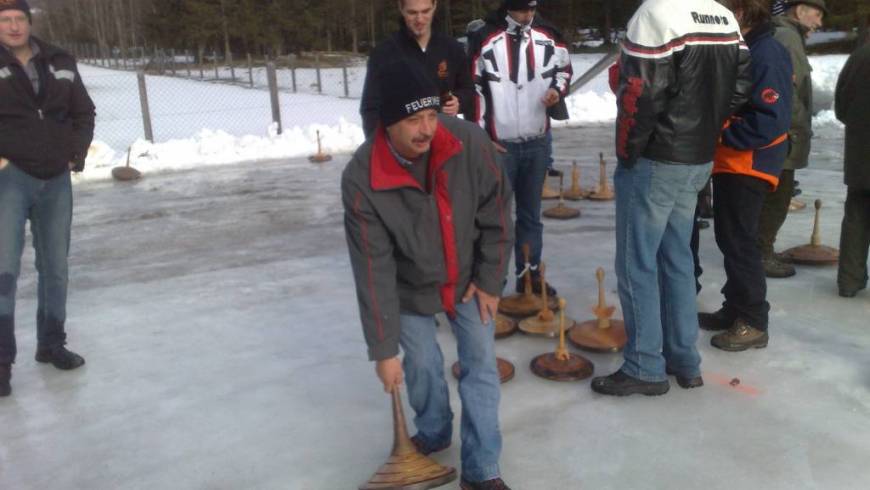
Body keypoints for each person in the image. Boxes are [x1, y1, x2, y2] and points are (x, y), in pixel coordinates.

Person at [343, 59, 513, 490]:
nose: (426, 129)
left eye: (432, 116)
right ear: (388, 123)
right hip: (410, 286)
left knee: (481, 367)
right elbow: (372, 268)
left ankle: (482, 469)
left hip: (470, 276)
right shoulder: (362, 177)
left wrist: (491, 279)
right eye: (414, 119)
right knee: (420, 365)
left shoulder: (469, 142)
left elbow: (497, 212)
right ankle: (434, 431)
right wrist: (383, 349)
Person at [590, 0, 751, 396]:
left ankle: (645, 365)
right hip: (696, 158)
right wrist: (704, 128)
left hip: (656, 158)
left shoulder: (655, 15)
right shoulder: (722, 16)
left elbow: (638, 95)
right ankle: (684, 359)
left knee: (637, 264)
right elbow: (741, 87)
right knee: (676, 256)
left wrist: (628, 153)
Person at [0, 0, 95, 398]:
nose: (14, 26)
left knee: (55, 266)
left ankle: (51, 343)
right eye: (5, 20)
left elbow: (83, 111)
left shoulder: (59, 59)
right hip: (10, 177)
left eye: (20, 18)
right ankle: (2, 363)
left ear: (29, 21)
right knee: (4, 270)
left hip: (55, 178)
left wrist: (75, 151)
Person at [700, 0, 793, 352]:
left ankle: (753, 321)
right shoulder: (746, 47)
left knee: (740, 241)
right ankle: (735, 308)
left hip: (749, 162)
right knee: (729, 237)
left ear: (741, 13)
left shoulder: (766, 52)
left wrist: (722, 135)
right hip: (733, 161)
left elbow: (770, 118)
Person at [470, 0, 572, 296]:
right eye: (521, 10)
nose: (528, 16)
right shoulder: (486, 39)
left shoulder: (547, 35)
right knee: (494, 218)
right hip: (499, 145)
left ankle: (530, 275)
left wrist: (556, 90)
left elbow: (563, 68)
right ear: (507, 8)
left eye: (532, 9)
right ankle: (490, 281)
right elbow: (474, 90)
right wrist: (481, 136)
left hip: (537, 141)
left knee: (530, 216)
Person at [757, 0, 826, 278]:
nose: (820, 23)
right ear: (800, 10)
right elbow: (789, 92)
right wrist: (794, 131)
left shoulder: (785, 35)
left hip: (781, 133)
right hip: (783, 135)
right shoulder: (787, 36)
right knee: (777, 198)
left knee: (775, 196)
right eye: (817, 14)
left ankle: (759, 250)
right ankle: (760, 255)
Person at [359, 0, 474, 138]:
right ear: (401, 9)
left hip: (444, 142)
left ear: (435, 6)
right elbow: (371, 108)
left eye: (425, 11)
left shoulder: (451, 48)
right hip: (403, 145)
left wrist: (459, 101)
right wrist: (378, 147)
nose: (419, 19)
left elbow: (468, 90)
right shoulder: (384, 53)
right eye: (412, 13)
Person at [834, 38, 870, 298]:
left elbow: (841, 105)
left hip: (861, 153)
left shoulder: (860, 55)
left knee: (857, 216)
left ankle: (849, 280)